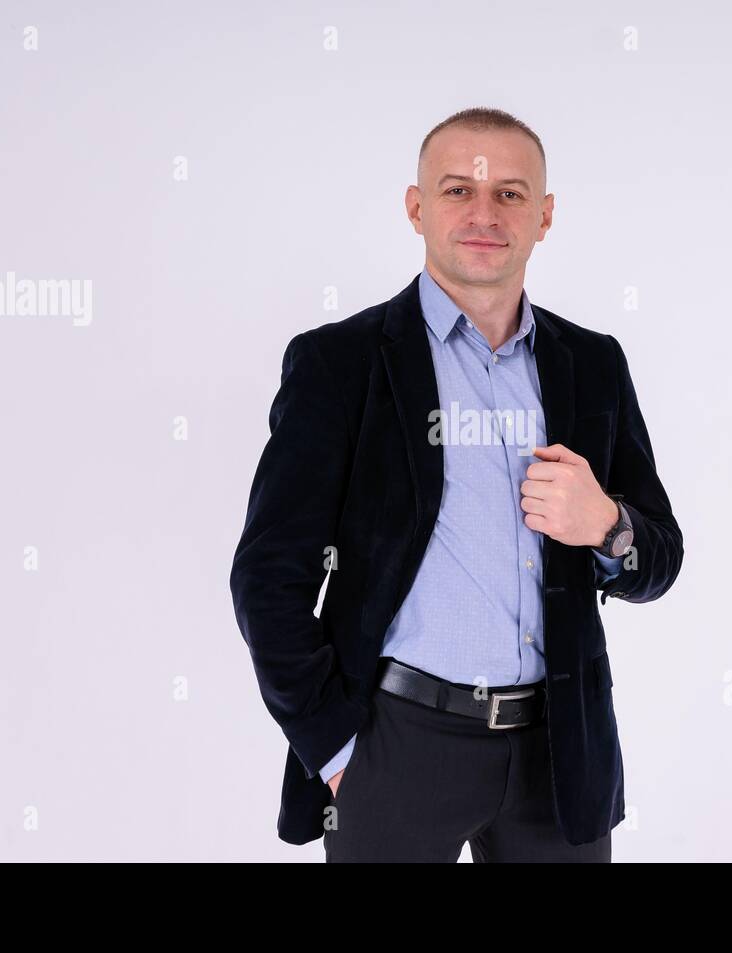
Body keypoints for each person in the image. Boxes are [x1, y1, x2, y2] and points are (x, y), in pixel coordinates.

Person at [229, 106, 683, 862]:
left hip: (558, 751)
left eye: (509, 193)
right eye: (456, 191)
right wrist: (337, 753)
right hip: (394, 747)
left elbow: (658, 560)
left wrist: (609, 525)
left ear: (544, 216)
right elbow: (266, 579)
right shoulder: (340, 365)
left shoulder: (593, 363)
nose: (484, 213)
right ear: (416, 208)